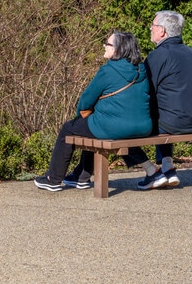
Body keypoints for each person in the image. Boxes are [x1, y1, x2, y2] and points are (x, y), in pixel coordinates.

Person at [34, 31, 152, 192]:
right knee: (92, 127)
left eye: (108, 44)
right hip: (144, 127)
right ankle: (81, 177)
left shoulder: (108, 70)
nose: (104, 45)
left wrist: (80, 115)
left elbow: (86, 100)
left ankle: (53, 179)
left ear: (118, 49)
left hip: (114, 127)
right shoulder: (142, 70)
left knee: (69, 128)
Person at [125, 10, 192, 190]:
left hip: (174, 123)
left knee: (123, 128)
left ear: (162, 31)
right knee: (165, 111)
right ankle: (168, 167)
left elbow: (145, 91)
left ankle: (151, 172)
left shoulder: (158, 56)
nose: (150, 28)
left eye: (153, 26)